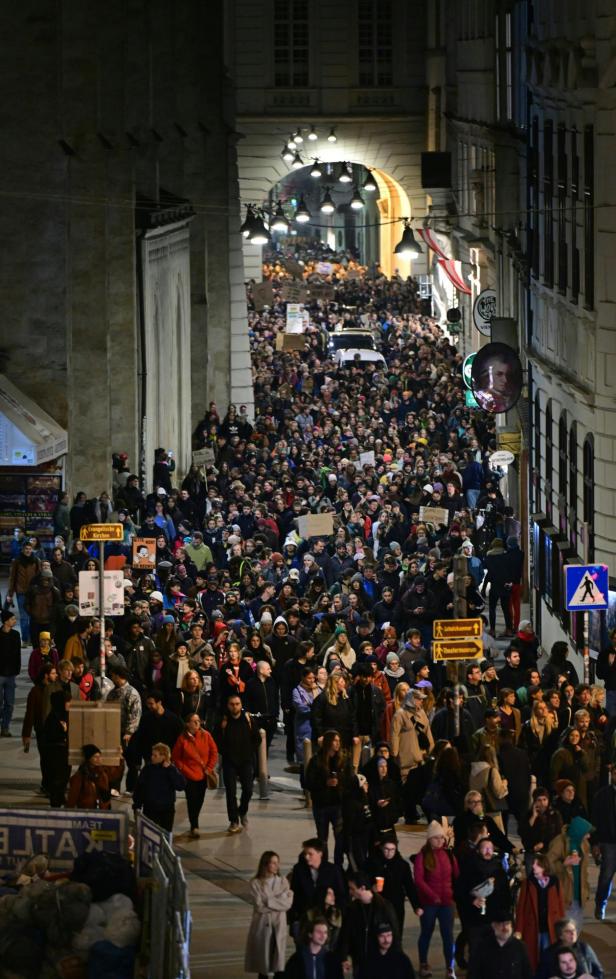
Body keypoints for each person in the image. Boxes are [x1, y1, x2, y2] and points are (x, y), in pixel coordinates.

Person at [414, 821, 459, 979]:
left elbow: (456, 875)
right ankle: (423, 963)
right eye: (436, 838)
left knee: (448, 935)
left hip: (446, 902)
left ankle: (449, 966)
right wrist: (433, 896)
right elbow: (419, 880)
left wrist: (453, 894)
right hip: (429, 903)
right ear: (429, 839)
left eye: (441, 837)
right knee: (426, 933)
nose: (440, 841)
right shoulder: (422, 856)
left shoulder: (448, 854)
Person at [304, 730, 352, 867]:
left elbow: (350, 780)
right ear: (328, 742)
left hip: (338, 804)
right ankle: (323, 864)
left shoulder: (344, 760)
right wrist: (325, 783)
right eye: (334, 740)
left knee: (340, 837)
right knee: (322, 838)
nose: (337, 743)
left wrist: (340, 783)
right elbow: (308, 782)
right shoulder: (316, 760)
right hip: (321, 805)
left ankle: (338, 864)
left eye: (339, 740)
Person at [216, 693, 262, 834]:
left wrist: (249, 750)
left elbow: (257, 739)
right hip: (230, 761)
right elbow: (216, 739)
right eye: (232, 704)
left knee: (248, 790)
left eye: (237, 704)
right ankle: (233, 820)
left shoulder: (248, 720)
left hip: (246, 760)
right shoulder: (223, 721)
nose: (235, 706)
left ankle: (242, 811)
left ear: (241, 705)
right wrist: (226, 752)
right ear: (228, 706)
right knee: (231, 792)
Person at [338, 872, 400, 976]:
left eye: (352, 889)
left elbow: (395, 934)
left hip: (380, 960)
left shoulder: (385, 907)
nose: (350, 892)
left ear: (362, 888)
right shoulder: (352, 909)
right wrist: (343, 957)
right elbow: (345, 934)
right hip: (360, 962)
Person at [244, 850, 293, 979]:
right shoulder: (255, 883)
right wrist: (279, 899)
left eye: (277, 862)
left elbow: (287, 904)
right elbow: (259, 906)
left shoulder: (283, 881)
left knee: (278, 962)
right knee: (263, 964)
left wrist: (268, 901)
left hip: (278, 925)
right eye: (273, 863)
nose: (276, 866)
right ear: (265, 864)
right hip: (262, 926)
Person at [514, 853, 565, 972]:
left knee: (549, 959)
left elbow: (560, 905)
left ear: (544, 867)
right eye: (533, 864)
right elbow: (520, 908)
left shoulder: (554, 882)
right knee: (533, 959)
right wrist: (518, 929)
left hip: (550, 928)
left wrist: (563, 927)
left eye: (537, 864)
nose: (533, 866)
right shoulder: (528, 883)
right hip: (532, 928)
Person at [288, 838, 346, 940]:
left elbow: (341, 895)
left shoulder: (333, 870)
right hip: (305, 918)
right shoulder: (299, 870)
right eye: (305, 853)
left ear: (320, 853)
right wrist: (294, 920)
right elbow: (294, 895)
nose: (306, 857)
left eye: (310, 854)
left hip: (327, 920)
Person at [171, 713, 217, 838]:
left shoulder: (206, 735)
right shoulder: (182, 739)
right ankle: (194, 825)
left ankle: (194, 820)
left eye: (198, 721)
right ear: (187, 724)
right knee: (191, 800)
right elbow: (176, 757)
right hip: (188, 775)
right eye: (194, 721)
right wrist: (182, 768)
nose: (197, 723)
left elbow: (214, 752)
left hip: (203, 774)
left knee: (199, 800)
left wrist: (209, 768)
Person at [365, 836, 421, 931]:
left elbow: (409, 886)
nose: (389, 852)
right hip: (377, 903)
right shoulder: (372, 863)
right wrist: (371, 887)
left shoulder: (402, 865)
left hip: (396, 904)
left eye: (392, 850)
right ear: (381, 848)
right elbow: (364, 880)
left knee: (396, 931)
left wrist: (416, 906)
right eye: (386, 849)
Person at [547, 816, 592, 930]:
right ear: (578, 832)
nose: (588, 836)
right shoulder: (559, 842)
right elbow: (547, 865)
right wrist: (564, 864)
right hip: (564, 895)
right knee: (564, 930)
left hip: (579, 895)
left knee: (576, 930)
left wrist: (586, 890)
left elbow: (584, 871)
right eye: (586, 833)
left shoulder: (585, 844)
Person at [133, 742, 187, 832]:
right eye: (152, 755)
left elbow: (181, 785)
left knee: (165, 835)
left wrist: (171, 769)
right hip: (150, 809)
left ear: (164, 757)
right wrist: (136, 806)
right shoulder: (147, 769)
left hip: (166, 810)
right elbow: (140, 788)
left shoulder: (171, 769)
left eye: (155, 755)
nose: (152, 757)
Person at [535, 918, 604, 979]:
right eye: (568, 931)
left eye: (574, 930)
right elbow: (540, 975)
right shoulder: (549, 953)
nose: (573, 933)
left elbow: (598, 971)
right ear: (560, 935)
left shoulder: (584, 948)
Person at [467, 915, 531, 979]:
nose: (505, 928)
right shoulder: (482, 947)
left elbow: (527, 973)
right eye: (501, 924)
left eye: (507, 924)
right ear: (493, 926)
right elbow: (473, 974)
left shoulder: (520, 946)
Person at [590, 779, 616, 920]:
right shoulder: (602, 795)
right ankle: (600, 905)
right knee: (606, 876)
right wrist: (595, 843)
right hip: (608, 841)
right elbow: (594, 819)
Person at [6, 540, 40, 644]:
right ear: (23, 549)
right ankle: (25, 639)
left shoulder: (36, 560)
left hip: (33, 592)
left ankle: (31, 638)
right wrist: (10, 594)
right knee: (24, 617)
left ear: (32, 549)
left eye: (29, 549)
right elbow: (12, 578)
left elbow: (39, 577)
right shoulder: (17, 561)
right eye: (26, 549)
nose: (28, 551)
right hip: (21, 592)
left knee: (33, 616)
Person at [66, 743, 111, 810]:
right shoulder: (80, 776)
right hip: (86, 812)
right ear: (89, 758)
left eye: (99, 757)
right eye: (95, 757)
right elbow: (73, 796)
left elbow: (116, 775)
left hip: (102, 810)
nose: (98, 759)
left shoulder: (102, 773)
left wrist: (120, 759)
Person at [0, 609, 21, 736]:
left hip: (11, 674)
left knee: (9, 703)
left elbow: (17, 654)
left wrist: (16, 669)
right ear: (6, 621)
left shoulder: (15, 635)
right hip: (0, 673)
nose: (15, 620)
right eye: (12, 619)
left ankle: (5, 727)